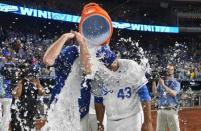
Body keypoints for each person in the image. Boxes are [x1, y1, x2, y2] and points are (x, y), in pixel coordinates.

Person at [43, 3, 113, 131]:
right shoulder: (71, 51)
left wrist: (82, 42)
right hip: (59, 110)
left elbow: (88, 70)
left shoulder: (97, 57)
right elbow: (48, 60)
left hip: (81, 114)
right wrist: (64, 37)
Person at [91, 46, 153, 131]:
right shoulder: (99, 74)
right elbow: (98, 101)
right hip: (111, 121)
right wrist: (100, 123)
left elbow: (144, 94)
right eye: (109, 65)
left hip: (132, 118)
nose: (113, 65)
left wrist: (148, 122)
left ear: (116, 57)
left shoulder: (130, 66)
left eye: (114, 61)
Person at [10, 62, 45, 131]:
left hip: (31, 111)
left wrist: (38, 84)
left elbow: (42, 93)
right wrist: (21, 81)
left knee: (30, 127)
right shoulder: (17, 81)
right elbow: (16, 95)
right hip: (19, 111)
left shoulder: (34, 81)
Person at [152, 64, 181, 131]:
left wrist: (163, 85)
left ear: (173, 71)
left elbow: (174, 93)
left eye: (170, 69)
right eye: (167, 69)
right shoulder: (161, 82)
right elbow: (155, 93)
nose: (168, 71)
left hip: (171, 110)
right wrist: (153, 81)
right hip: (161, 110)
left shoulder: (176, 82)